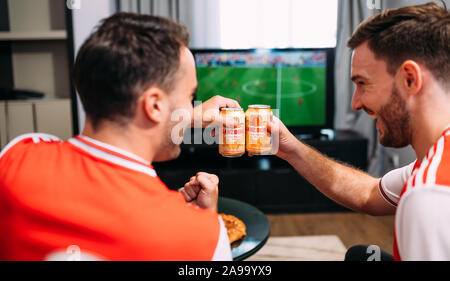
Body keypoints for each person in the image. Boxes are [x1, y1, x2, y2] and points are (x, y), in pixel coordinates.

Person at [0, 13, 240, 261]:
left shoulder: (16, 155)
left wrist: (182, 116)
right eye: (190, 98)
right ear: (154, 105)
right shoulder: (203, 236)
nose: (192, 108)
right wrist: (202, 221)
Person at [269, 2, 449, 261]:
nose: (355, 103)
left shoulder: (429, 194)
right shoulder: (431, 163)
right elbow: (370, 194)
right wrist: (292, 148)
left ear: (410, 78)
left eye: (362, 84)